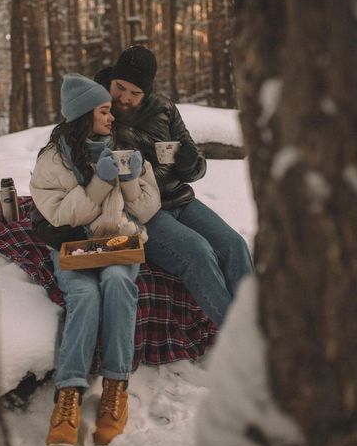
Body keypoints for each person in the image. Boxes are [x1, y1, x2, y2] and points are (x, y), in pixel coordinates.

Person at [30, 73, 161, 446]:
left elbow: (148, 208)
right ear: (84, 115)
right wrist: (99, 184)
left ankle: (116, 389)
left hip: (119, 242)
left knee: (119, 283)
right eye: (104, 110)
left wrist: (133, 180)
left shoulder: (124, 145)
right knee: (84, 296)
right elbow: (57, 216)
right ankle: (67, 399)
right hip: (74, 247)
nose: (111, 117)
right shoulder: (52, 160)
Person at [95, 45, 254, 328]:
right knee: (198, 252)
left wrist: (189, 161)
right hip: (140, 211)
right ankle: (239, 339)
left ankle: (258, 327)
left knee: (235, 245)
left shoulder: (164, 109)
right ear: (111, 81)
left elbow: (197, 167)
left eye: (135, 93)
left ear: (147, 93)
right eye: (120, 87)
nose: (125, 98)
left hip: (179, 199)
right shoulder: (97, 110)